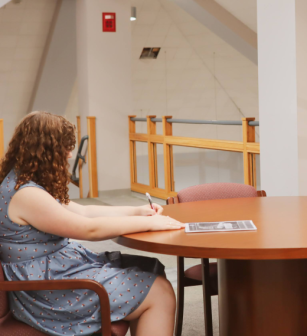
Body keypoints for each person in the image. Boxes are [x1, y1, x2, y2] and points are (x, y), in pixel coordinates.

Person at [0, 111, 185, 336]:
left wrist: (138, 211)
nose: (69, 155)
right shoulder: (26, 194)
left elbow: (85, 212)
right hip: (49, 291)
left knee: (151, 268)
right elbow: (88, 229)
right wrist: (148, 224)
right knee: (160, 292)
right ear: (47, 151)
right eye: (65, 148)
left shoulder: (25, 181)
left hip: (54, 275)